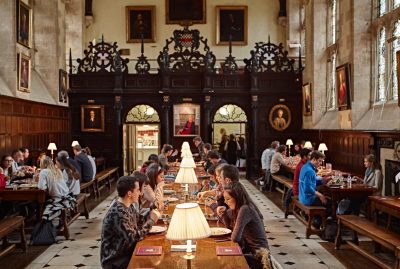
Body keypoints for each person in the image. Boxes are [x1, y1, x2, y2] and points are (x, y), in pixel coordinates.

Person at [100, 175, 160, 269]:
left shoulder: (127, 206)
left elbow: (139, 221)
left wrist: (151, 210)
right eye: (137, 190)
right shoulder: (118, 212)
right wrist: (151, 221)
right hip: (115, 260)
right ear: (129, 193)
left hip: (125, 252)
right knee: (151, 262)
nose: (140, 193)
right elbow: (134, 238)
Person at [217, 183, 269, 269]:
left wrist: (226, 212)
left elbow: (235, 238)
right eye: (225, 199)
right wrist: (224, 213)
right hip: (250, 251)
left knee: (224, 262)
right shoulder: (239, 208)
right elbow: (228, 228)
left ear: (237, 197)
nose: (225, 202)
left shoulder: (245, 209)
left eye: (228, 199)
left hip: (260, 257)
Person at [37, 156, 75, 224]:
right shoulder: (57, 170)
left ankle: (46, 223)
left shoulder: (43, 172)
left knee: (43, 203)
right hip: (68, 196)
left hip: (58, 199)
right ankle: (57, 220)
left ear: (43, 164)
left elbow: (41, 187)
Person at [299, 151, 331, 224]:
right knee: (330, 204)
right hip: (307, 199)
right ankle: (319, 223)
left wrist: (323, 180)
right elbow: (307, 188)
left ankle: (317, 219)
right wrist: (320, 195)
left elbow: (312, 181)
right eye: (319, 161)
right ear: (313, 159)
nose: (320, 163)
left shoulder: (306, 166)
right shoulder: (309, 171)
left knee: (325, 199)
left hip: (302, 196)